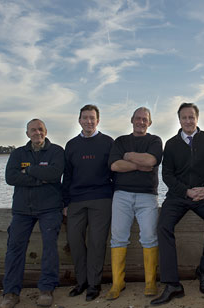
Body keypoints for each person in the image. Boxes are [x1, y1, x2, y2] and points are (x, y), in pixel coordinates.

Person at [151, 103, 204, 306]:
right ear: (179, 120)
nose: (188, 121)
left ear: (197, 118)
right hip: (178, 196)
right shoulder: (172, 144)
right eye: (184, 117)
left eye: (191, 117)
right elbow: (167, 174)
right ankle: (172, 284)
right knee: (163, 226)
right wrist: (185, 191)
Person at [0, 119, 64, 308]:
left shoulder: (56, 152)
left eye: (40, 129)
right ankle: (11, 292)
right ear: (27, 133)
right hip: (22, 210)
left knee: (50, 247)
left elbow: (54, 174)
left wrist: (28, 170)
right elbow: (10, 177)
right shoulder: (18, 153)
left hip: (50, 208)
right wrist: (39, 179)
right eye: (33, 130)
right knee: (14, 249)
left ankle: (46, 289)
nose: (37, 133)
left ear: (45, 131)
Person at [105, 107, 163, 300]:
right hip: (121, 194)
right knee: (118, 237)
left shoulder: (154, 141)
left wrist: (128, 157)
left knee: (149, 236)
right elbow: (114, 165)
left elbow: (152, 160)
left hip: (147, 196)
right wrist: (139, 165)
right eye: (138, 118)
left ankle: (150, 282)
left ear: (150, 122)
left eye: (144, 119)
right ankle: (117, 283)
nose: (141, 122)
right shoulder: (121, 141)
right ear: (132, 120)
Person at [62, 105, 114, 301]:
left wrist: (114, 199)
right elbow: (66, 176)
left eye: (92, 118)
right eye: (85, 118)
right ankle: (81, 281)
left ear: (98, 121)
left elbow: (115, 173)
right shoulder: (71, 145)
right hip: (75, 200)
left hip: (101, 198)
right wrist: (65, 202)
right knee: (75, 242)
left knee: (96, 242)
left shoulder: (108, 142)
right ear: (79, 120)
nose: (89, 121)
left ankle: (94, 284)